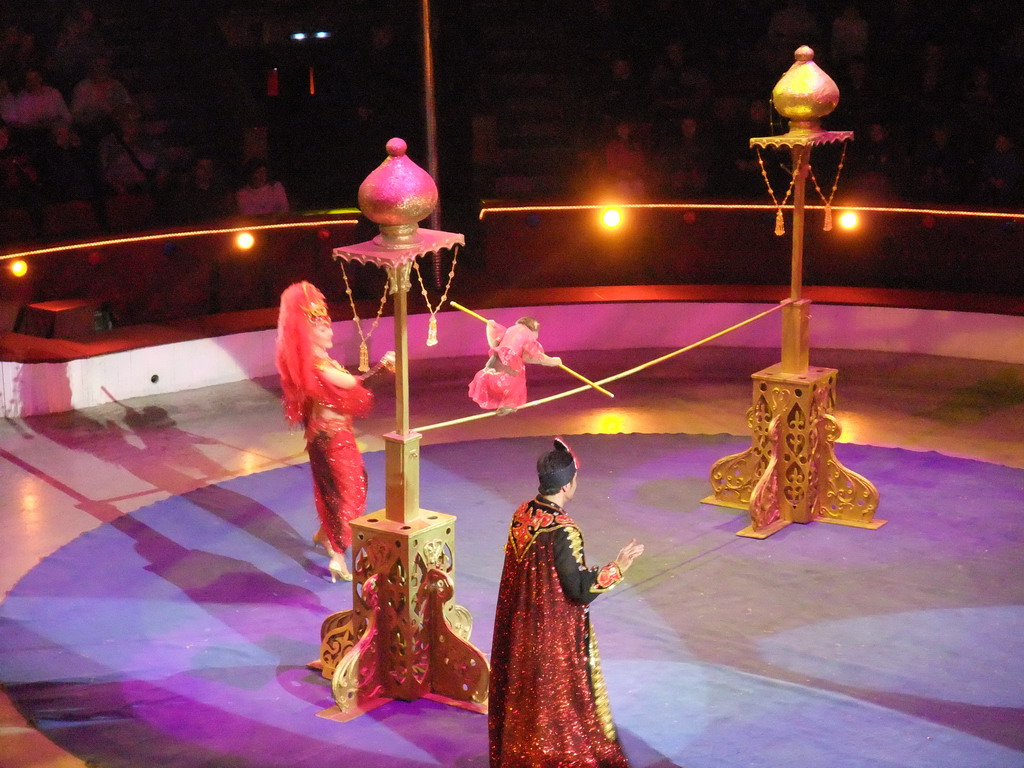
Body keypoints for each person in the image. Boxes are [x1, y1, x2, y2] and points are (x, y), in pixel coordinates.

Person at [489, 438, 644, 768]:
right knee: (555, 702)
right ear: (568, 484)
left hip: (521, 627)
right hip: (551, 633)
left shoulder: (522, 514)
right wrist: (617, 567)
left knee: (526, 693)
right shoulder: (564, 529)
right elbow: (578, 590)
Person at [275, 282, 392, 582]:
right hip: (332, 440)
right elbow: (354, 385)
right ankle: (338, 555)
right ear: (309, 332)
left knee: (339, 489)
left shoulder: (320, 362)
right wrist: (384, 368)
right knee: (350, 492)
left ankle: (328, 536)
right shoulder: (317, 366)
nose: (330, 333)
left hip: (331, 437)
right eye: (324, 328)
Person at [468, 316, 561, 415]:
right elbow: (531, 357)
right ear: (534, 328)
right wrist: (553, 361)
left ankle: (506, 405)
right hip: (508, 372)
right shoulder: (528, 334)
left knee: (499, 379)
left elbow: (494, 344)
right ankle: (508, 405)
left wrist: (489, 327)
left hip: (490, 371)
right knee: (517, 383)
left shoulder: (510, 330)